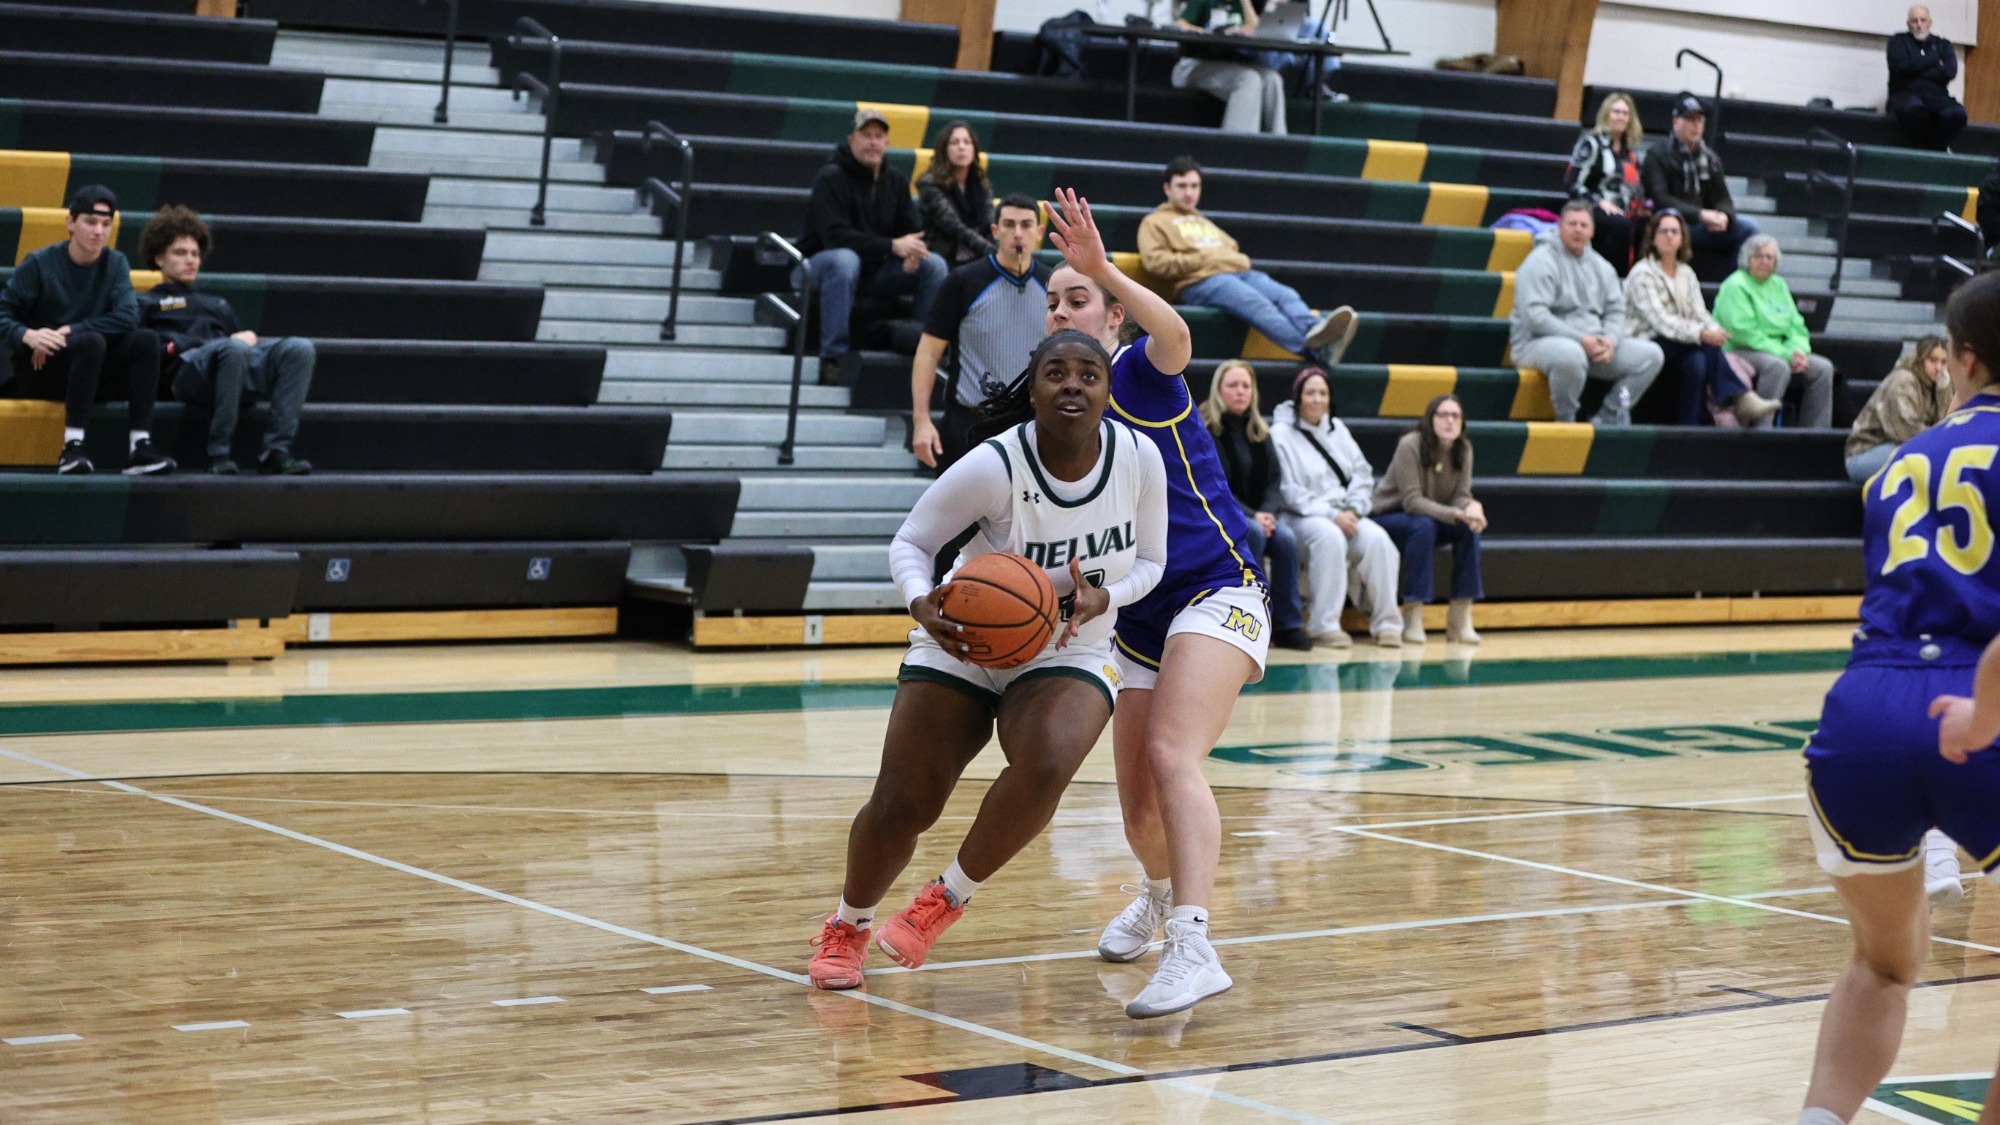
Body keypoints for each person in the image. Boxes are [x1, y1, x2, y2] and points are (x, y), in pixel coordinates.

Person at [805, 327, 1169, 989]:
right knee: (903, 803)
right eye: (1056, 373)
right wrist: (921, 602)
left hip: (1071, 641)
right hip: (969, 642)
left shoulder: (1140, 458)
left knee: (1051, 760)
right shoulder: (994, 465)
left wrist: (1106, 597)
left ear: (1108, 391)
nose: (1072, 385)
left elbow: (1152, 561)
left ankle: (943, 899)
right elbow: (913, 543)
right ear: (1032, 389)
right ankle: (848, 923)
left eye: (1089, 375)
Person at [1041, 189, 1271, 1019]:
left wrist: (1105, 266)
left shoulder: (1140, 368)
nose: (1061, 309)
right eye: (1053, 301)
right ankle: (1158, 891)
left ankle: (1193, 944)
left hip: (1219, 584)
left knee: (1174, 752)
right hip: (1136, 612)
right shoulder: (1057, 422)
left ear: (1109, 317)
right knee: (1137, 805)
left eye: (1078, 297)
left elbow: (1176, 335)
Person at [1791, 270, 2000, 1125]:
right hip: (1977, 707)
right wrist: (1984, 717)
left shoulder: (1900, 462)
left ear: (1960, 361)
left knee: (1881, 964)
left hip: (1865, 711)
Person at [0, 184, 174, 475]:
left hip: (91, 364)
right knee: (91, 341)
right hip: (42, 366)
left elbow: (128, 317)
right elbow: (3, 312)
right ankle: (72, 448)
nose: (99, 231)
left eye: (106, 224)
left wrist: (71, 329)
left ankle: (140, 446)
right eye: (90, 222)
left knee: (145, 339)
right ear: (70, 222)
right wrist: (28, 335)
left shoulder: (115, 262)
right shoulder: (40, 263)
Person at [136, 206, 313, 476]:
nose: (191, 260)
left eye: (195, 254)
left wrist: (248, 338)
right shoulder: (146, 302)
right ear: (160, 258)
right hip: (185, 373)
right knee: (234, 348)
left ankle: (276, 451)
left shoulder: (216, 304)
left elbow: (240, 348)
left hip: (228, 361)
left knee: (299, 348)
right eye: (180, 253)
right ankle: (218, 452)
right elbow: (144, 352)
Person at [1139, 157, 1355, 366]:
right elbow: (1155, 262)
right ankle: (1314, 350)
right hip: (1199, 282)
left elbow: (1235, 251)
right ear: (1167, 188)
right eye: (1182, 186)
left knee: (1285, 294)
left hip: (1236, 273)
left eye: (1195, 186)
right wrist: (1208, 259)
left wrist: (1221, 259)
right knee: (1258, 304)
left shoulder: (1203, 221)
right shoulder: (1154, 222)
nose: (1189, 192)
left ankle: (1316, 330)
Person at [910, 195, 1051, 473]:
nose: (1018, 233)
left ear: (1040, 232)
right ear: (995, 230)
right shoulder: (962, 281)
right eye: (1009, 224)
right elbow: (928, 353)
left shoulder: (1054, 285)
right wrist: (921, 421)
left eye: (1026, 225)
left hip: (1033, 426)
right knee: (960, 517)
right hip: (968, 423)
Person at [799, 108, 949, 363]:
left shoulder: (895, 180)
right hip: (816, 267)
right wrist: (892, 246)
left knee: (934, 265)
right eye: (866, 135)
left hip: (874, 271)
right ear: (851, 140)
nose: (872, 142)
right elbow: (835, 237)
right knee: (844, 260)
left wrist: (914, 253)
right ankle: (833, 357)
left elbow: (911, 231)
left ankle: (921, 349)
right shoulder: (830, 176)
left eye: (878, 136)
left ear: (887, 142)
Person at [1268, 365, 1402, 648]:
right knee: (1328, 536)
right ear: (1298, 397)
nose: (1317, 399)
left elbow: (1362, 473)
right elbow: (1287, 490)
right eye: (1310, 393)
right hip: (1299, 517)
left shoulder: (1338, 429)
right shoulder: (1280, 433)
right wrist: (1332, 515)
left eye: (1322, 393)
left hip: (1345, 512)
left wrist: (1354, 508)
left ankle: (1387, 624)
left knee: (1379, 540)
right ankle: (1323, 625)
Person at [1509, 200, 1664, 425]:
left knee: (1652, 356)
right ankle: (1566, 420)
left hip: (1593, 346)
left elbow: (1616, 311)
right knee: (1571, 355)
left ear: (1593, 231)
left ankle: (1611, 413)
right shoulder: (1539, 262)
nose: (1578, 229)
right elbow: (1535, 317)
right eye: (1572, 224)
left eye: (1584, 225)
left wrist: (1610, 339)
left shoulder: (1603, 267)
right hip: (1538, 343)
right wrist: (1581, 339)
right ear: (1560, 227)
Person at [1623, 210, 1781, 427]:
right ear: (1653, 237)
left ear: (1682, 238)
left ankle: (1689, 428)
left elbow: (1699, 312)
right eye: (1664, 231)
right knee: (1706, 346)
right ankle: (1742, 398)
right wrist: (1702, 333)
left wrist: (1714, 330)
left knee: (1697, 361)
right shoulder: (1642, 273)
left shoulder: (1686, 272)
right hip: (1647, 341)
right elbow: (1661, 321)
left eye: (1675, 231)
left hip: (1681, 342)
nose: (1669, 236)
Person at [1201, 360, 1311, 651]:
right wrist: (1253, 516)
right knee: (1254, 534)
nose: (1240, 392)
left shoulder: (1260, 431)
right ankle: (1253, 618)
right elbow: (1215, 485)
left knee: (1286, 539)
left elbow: (1275, 480)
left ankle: (1288, 625)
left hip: (1257, 515)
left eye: (1245, 386)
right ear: (1218, 391)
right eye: (1232, 386)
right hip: (1218, 514)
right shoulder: (1207, 430)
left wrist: (1268, 513)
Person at [1372, 394, 1485, 646]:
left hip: (1432, 518)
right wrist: (1456, 513)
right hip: (1389, 516)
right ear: (1430, 419)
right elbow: (1412, 501)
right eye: (1443, 415)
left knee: (1470, 529)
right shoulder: (1410, 445)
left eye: (1455, 416)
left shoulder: (1463, 449)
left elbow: (1461, 495)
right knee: (1423, 526)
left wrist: (1472, 508)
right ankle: (1413, 614)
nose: (1449, 421)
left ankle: (1461, 617)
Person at [1712, 234, 1836, 429]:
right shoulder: (1735, 285)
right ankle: (1763, 428)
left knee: (1823, 369)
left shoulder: (1779, 284)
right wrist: (1786, 354)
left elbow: (1796, 326)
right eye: (1759, 256)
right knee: (1777, 366)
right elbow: (1744, 333)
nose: (1765, 261)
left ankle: (1815, 433)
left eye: (1770, 257)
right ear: (1747, 259)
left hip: (1780, 350)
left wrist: (1798, 351)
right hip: (1740, 349)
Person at [1640, 93, 1759, 279]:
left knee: (1750, 228)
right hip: (1674, 220)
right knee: (1672, 226)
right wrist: (1701, 214)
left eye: (1700, 120)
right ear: (1675, 121)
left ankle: (1732, 287)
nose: (1696, 125)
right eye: (1689, 119)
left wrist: (1724, 216)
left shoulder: (1710, 158)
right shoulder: (1657, 154)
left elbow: (1723, 197)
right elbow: (1660, 198)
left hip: (1704, 225)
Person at [1170, 0, 1287, 135]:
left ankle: (1280, 146)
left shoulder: (1243, 5)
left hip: (1229, 66)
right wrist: (1208, 32)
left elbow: (1255, 29)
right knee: (1248, 79)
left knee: (1272, 79)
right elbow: (1181, 24)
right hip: (1193, 65)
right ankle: (1236, 150)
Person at [1845, 335, 1951, 483]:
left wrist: (1943, 392)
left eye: (1944, 362)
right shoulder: (1903, 381)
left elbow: (1944, 424)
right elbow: (1908, 432)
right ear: (1920, 359)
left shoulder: (1935, 384)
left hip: (1897, 448)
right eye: (1933, 360)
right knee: (1924, 460)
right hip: (1865, 454)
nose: (1939, 368)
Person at [1566, 92, 1647, 273]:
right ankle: (1610, 278)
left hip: (1624, 210)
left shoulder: (1631, 154)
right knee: (1621, 225)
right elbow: (1572, 184)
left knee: (1654, 226)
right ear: (1606, 115)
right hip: (1591, 208)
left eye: (1625, 113)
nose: (1620, 117)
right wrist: (1599, 201)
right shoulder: (1591, 144)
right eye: (1616, 112)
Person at [915, 121, 996, 266]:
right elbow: (954, 227)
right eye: (955, 142)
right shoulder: (930, 184)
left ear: (974, 149)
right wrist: (993, 252)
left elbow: (991, 224)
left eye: (967, 142)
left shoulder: (982, 184)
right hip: (944, 256)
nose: (961, 147)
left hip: (978, 255)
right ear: (944, 149)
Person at [1887, 5, 1966, 152]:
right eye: (1914, 21)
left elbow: (1950, 71)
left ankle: (1936, 149)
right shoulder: (1897, 42)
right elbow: (1903, 67)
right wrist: (1935, 60)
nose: (1919, 25)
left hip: (1936, 96)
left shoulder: (1943, 44)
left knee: (1958, 113)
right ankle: (1921, 150)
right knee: (1916, 110)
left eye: (1923, 20)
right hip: (1905, 95)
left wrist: (1916, 64)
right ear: (1908, 24)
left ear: (1930, 22)